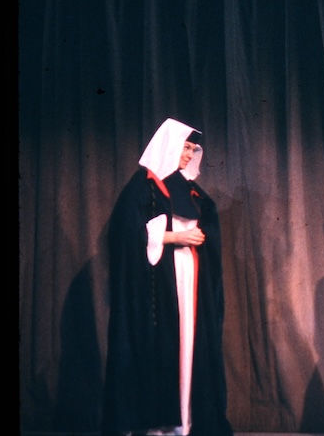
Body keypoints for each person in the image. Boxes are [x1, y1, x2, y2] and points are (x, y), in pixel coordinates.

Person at [102, 118, 233, 436]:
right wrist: (174, 237)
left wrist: (201, 237)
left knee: (189, 345)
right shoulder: (143, 185)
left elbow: (203, 224)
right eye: (185, 147)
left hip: (189, 278)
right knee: (164, 347)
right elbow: (126, 234)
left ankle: (184, 423)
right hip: (158, 285)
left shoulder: (191, 190)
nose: (189, 154)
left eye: (193, 149)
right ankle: (160, 425)